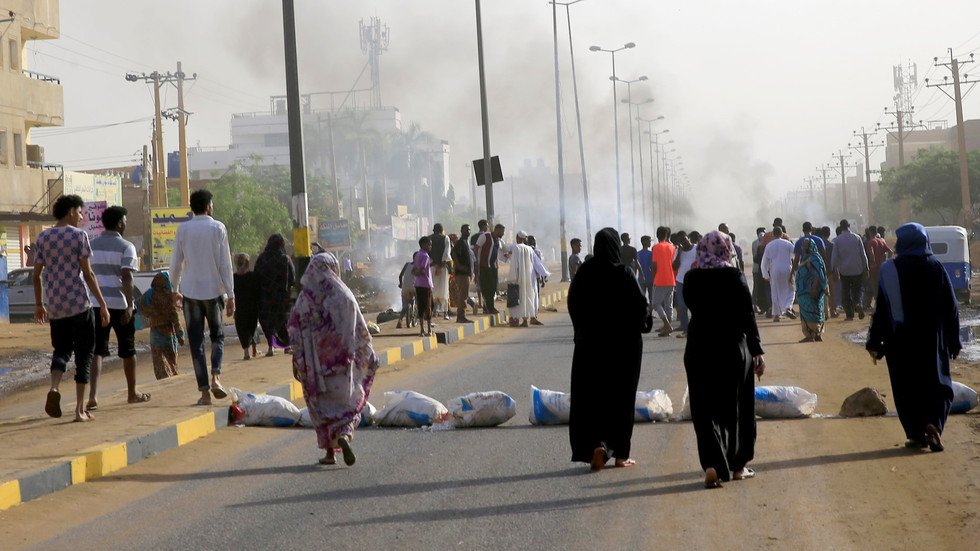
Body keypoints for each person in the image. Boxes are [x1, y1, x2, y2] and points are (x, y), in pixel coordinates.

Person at [867, 223, 961, 452]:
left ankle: (916, 432)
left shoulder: (889, 270)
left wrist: (874, 342)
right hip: (932, 338)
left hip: (900, 341)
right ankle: (934, 424)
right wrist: (953, 339)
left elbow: (882, 310)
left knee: (906, 387)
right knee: (937, 382)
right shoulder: (935, 266)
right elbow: (951, 306)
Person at [682, 230, 765, 488]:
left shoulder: (692, 278)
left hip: (699, 348)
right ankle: (737, 465)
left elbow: (690, 307)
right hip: (732, 348)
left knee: (703, 408)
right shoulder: (734, 276)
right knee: (737, 407)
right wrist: (757, 350)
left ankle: (712, 465)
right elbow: (747, 316)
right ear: (726, 249)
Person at [568, 228, 651, 471]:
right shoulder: (623, 273)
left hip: (589, 348)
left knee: (592, 398)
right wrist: (644, 324)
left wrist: (581, 332)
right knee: (621, 398)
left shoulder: (584, 272)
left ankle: (596, 444)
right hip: (623, 350)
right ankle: (620, 454)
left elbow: (573, 303)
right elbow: (640, 306)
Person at [288, 252, 380, 466]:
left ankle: (330, 453)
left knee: (322, 409)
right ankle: (345, 436)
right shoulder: (345, 296)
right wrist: (366, 356)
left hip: (315, 368)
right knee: (346, 407)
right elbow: (361, 331)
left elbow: (293, 330)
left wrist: (297, 359)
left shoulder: (305, 298)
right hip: (343, 368)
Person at [34, 195, 111, 422]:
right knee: (84, 356)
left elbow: (36, 275)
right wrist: (103, 305)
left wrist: (40, 304)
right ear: (70, 211)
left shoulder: (43, 237)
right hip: (79, 305)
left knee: (61, 351)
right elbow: (88, 274)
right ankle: (79, 410)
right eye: (79, 212)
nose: (81, 217)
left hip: (56, 307)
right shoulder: (79, 236)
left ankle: (55, 388)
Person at [170, 189, 235, 406]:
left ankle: (205, 392)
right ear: (208, 206)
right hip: (214, 292)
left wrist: (174, 289)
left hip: (190, 293)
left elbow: (176, 262)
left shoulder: (183, 229)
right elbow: (225, 264)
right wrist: (231, 294)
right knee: (217, 337)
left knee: (196, 343)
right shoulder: (218, 228)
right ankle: (216, 376)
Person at [87, 205, 149, 410]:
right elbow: (127, 277)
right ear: (120, 224)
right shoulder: (126, 246)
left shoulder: (92, 244)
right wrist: (130, 305)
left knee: (97, 351)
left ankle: (93, 396)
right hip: (120, 304)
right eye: (125, 221)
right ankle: (132, 393)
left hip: (97, 304)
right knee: (128, 350)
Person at [254, 234, 295, 356]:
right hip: (282, 297)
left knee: (267, 321)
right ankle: (287, 346)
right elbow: (292, 278)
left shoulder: (261, 259)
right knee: (282, 321)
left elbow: (256, 277)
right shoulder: (285, 259)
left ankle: (271, 346)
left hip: (265, 296)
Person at [141, 272, 185, 380]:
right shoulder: (169, 296)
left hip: (155, 334)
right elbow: (175, 319)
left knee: (159, 362)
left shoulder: (149, 294)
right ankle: (171, 381)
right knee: (172, 363)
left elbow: (141, 307)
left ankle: (164, 380)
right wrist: (180, 335)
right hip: (169, 335)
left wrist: (150, 314)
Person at [831, 219, 869, 321]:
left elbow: (834, 257)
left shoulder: (837, 240)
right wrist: (866, 268)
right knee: (858, 290)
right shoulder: (857, 238)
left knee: (846, 292)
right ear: (849, 225)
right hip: (857, 269)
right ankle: (858, 303)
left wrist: (833, 270)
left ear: (841, 227)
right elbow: (863, 254)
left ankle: (849, 315)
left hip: (844, 270)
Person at [501, 231, 538, 327]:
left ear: (517, 238)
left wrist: (512, 278)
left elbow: (515, 265)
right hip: (528, 277)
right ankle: (525, 321)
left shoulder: (516, 248)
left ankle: (515, 319)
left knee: (517, 299)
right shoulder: (530, 249)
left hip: (518, 278)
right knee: (527, 297)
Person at [795, 237, 828, 342]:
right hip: (804, 290)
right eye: (803, 245)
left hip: (811, 290)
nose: (803, 247)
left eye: (805, 245)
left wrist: (814, 287)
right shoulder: (806, 257)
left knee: (812, 310)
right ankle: (815, 333)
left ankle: (811, 335)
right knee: (812, 310)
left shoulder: (814, 258)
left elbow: (819, 274)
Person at [762, 226, 796, 322]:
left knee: (775, 291)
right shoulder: (787, 243)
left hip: (775, 270)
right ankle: (788, 307)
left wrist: (766, 274)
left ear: (773, 234)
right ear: (782, 234)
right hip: (787, 268)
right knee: (791, 289)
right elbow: (796, 255)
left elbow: (764, 261)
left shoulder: (769, 245)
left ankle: (776, 316)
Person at [233, 253, 261, 360]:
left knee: (242, 329)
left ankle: (246, 352)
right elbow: (258, 291)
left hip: (240, 309)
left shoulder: (234, 278)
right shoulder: (253, 276)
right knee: (253, 327)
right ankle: (254, 348)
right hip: (252, 307)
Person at [650, 226, 677, 335]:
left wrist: (653, 277)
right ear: (668, 235)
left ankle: (666, 325)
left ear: (657, 235)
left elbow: (654, 265)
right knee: (668, 304)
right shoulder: (672, 247)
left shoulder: (656, 247)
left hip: (660, 279)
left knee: (656, 303)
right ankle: (667, 327)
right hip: (671, 279)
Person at [672, 232, 697, 337]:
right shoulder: (678, 251)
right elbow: (674, 267)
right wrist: (679, 254)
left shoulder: (697, 248)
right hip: (680, 281)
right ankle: (686, 331)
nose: (683, 242)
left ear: (688, 238)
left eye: (684, 239)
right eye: (681, 241)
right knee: (682, 306)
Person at [475, 220, 501, 314]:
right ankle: (489, 308)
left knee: (493, 288)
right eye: (502, 232)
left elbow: (503, 249)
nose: (502, 234)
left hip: (493, 268)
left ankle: (488, 307)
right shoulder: (485, 236)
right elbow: (476, 248)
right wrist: (476, 263)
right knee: (486, 288)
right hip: (484, 267)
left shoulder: (498, 240)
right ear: (497, 230)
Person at [864, 226, 892, 311]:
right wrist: (886, 261)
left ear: (869, 232)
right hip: (883, 268)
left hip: (874, 270)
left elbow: (871, 253)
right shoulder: (882, 241)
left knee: (875, 288)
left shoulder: (871, 242)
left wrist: (872, 263)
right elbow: (890, 252)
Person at [428, 224, 452, 321]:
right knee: (444, 290)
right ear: (442, 230)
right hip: (442, 268)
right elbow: (446, 253)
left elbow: (427, 253)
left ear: (433, 230)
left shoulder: (428, 238)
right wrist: (441, 264)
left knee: (432, 289)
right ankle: (445, 313)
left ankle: (434, 311)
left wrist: (434, 263)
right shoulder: (445, 238)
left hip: (432, 267)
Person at [451, 224, 474, 323]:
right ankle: (461, 316)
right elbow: (453, 253)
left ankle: (461, 316)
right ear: (461, 231)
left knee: (464, 295)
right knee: (463, 296)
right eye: (466, 230)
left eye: (469, 230)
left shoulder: (466, 242)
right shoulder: (460, 242)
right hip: (462, 273)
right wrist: (459, 265)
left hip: (467, 273)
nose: (468, 231)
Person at [412, 236, 434, 336]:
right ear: (424, 245)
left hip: (418, 284)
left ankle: (421, 329)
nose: (430, 246)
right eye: (429, 244)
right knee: (428, 306)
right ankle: (429, 329)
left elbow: (414, 269)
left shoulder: (417, 255)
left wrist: (416, 273)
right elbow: (422, 269)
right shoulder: (425, 256)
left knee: (420, 306)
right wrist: (418, 272)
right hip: (426, 284)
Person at [751, 227, 771, 315]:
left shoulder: (765, 243)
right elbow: (755, 257)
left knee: (763, 288)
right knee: (759, 288)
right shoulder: (757, 244)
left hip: (762, 269)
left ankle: (766, 307)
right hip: (759, 269)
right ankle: (759, 306)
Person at [396, 253, 417, 329]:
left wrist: (401, 284)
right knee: (418, 301)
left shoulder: (407, 264)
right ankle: (416, 311)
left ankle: (400, 321)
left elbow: (400, 275)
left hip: (405, 288)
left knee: (404, 306)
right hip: (414, 288)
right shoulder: (419, 266)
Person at [636, 235, 654, 305]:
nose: (650, 243)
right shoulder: (651, 253)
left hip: (641, 279)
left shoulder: (637, 253)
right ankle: (650, 313)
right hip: (650, 279)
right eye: (649, 241)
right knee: (651, 298)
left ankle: (644, 313)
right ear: (645, 242)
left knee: (642, 298)